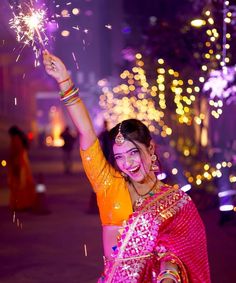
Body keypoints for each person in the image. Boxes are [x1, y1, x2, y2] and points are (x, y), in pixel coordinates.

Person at [43, 50, 211, 283]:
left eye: (133, 152)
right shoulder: (109, 184)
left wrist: (169, 274)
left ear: (150, 149)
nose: (127, 163)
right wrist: (64, 80)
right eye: (119, 157)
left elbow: (178, 250)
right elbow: (86, 132)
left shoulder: (176, 202)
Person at [7, 126, 36, 211]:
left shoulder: (15, 139)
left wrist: (12, 163)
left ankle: (20, 204)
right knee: (25, 183)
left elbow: (15, 152)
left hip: (18, 163)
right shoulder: (21, 138)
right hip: (23, 162)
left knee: (18, 184)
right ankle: (26, 203)